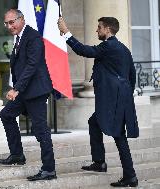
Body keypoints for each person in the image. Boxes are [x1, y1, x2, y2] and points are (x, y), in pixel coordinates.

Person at [58, 17, 139, 187]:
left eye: (99, 27)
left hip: (115, 100)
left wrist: (66, 32)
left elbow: (83, 50)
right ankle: (99, 162)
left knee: (119, 136)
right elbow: (132, 75)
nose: (97, 30)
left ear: (108, 29)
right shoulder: (123, 48)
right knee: (94, 123)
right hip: (120, 98)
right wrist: (124, 94)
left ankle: (130, 176)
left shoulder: (109, 46)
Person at [0, 9, 56, 181]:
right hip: (25, 90)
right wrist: (18, 88)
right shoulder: (19, 37)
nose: (9, 26)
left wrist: (16, 89)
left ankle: (49, 169)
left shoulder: (33, 37)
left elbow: (31, 66)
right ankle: (17, 155)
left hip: (35, 91)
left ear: (21, 19)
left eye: (12, 22)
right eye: (6, 23)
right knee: (6, 114)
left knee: (40, 130)